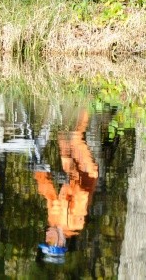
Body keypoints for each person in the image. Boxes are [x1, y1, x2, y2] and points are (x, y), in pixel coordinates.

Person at [35, 109, 99, 264]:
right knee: (76, 138)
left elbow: (49, 194)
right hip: (85, 173)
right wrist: (70, 180)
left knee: (62, 138)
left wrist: (38, 172)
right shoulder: (75, 223)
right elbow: (82, 194)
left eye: (46, 240)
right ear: (60, 243)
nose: (47, 237)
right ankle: (86, 103)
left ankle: (65, 105)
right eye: (50, 241)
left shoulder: (53, 221)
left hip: (69, 171)